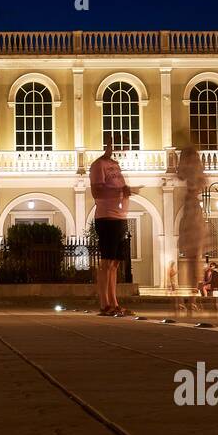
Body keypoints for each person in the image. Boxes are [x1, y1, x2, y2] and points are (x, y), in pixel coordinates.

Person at [90, 132, 132, 315]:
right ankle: (105, 304)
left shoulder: (115, 165)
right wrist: (118, 192)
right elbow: (97, 193)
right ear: (107, 145)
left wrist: (126, 192)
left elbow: (118, 188)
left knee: (115, 263)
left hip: (120, 216)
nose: (122, 148)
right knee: (106, 262)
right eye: (116, 144)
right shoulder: (98, 165)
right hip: (106, 217)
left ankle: (114, 303)